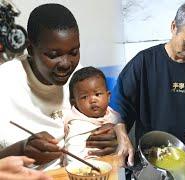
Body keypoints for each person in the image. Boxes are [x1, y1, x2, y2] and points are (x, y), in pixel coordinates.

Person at [0, 3, 117, 169]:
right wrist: (20, 150)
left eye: (74, 52)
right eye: (53, 55)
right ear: (31, 49)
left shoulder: (79, 77)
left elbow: (103, 118)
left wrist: (112, 135)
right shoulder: (5, 82)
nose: (66, 64)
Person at [110, 2, 185, 171]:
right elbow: (118, 103)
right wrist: (123, 138)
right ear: (174, 27)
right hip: (151, 163)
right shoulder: (144, 62)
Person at [64, 66, 118, 164]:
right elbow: (72, 158)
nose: (93, 100)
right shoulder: (77, 125)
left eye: (97, 94)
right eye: (84, 97)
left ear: (108, 96)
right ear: (74, 102)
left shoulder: (114, 114)